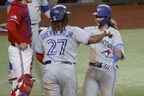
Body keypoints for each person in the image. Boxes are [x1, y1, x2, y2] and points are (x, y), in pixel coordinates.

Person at [34, 4, 112, 96]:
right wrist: (104, 34)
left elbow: (39, 54)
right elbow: (92, 39)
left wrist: (51, 64)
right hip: (67, 70)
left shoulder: (43, 33)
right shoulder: (74, 31)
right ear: (64, 18)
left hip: (49, 71)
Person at [83, 4, 125, 96]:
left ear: (106, 17)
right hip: (92, 70)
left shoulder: (114, 33)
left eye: (99, 17)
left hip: (108, 72)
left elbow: (119, 54)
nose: (97, 18)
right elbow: (73, 32)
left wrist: (111, 62)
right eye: (96, 16)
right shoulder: (89, 30)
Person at [7, 0, 33, 96]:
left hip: (23, 50)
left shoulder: (23, 6)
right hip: (19, 50)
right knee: (24, 83)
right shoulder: (17, 8)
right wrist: (20, 41)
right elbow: (10, 27)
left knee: (19, 84)